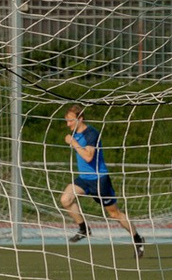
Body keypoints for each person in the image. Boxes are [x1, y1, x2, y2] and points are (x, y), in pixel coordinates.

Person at [60, 103, 144, 256]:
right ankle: (84, 229)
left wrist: (73, 143)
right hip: (84, 180)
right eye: (66, 121)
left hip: (99, 180)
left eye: (70, 120)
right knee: (66, 199)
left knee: (114, 214)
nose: (68, 124)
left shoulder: (91, 133)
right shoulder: (75, 134)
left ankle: (137, 238)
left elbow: (88, 156)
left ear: (80, 119)